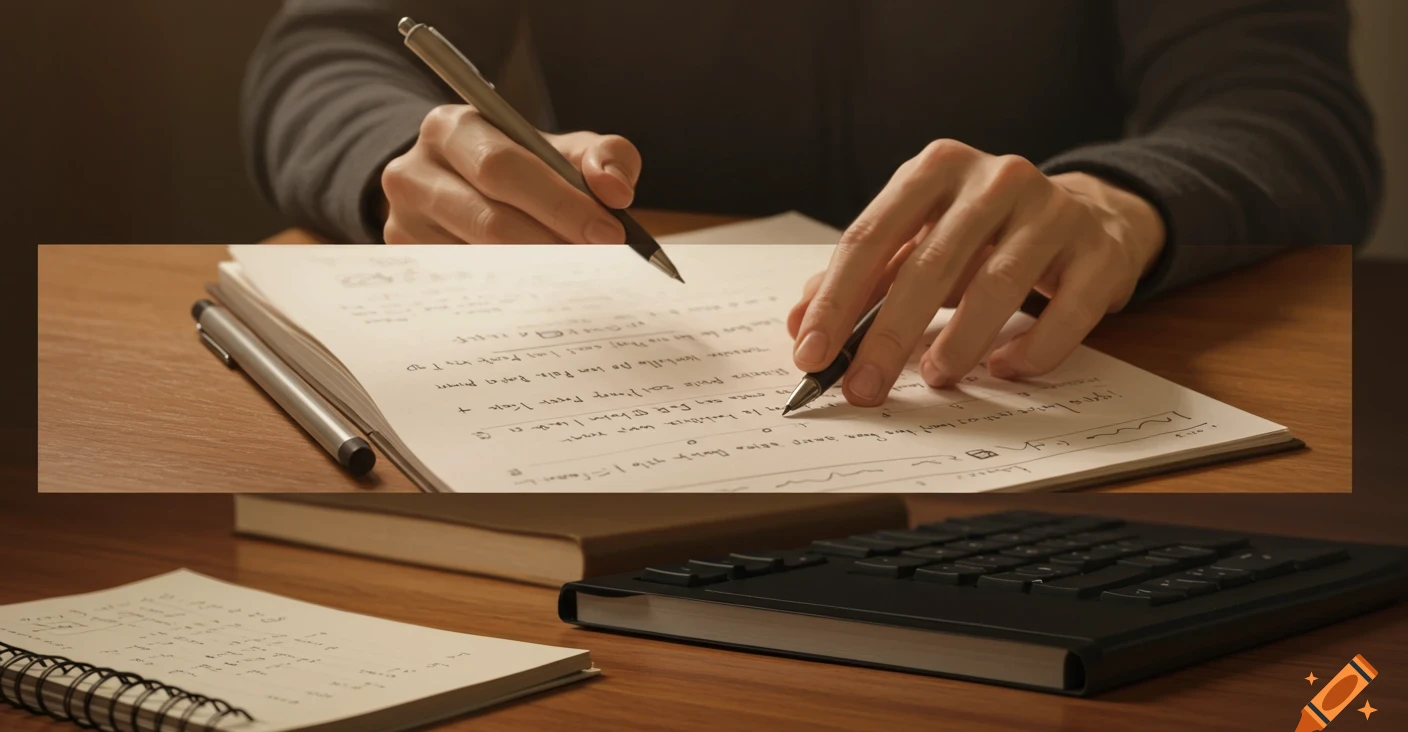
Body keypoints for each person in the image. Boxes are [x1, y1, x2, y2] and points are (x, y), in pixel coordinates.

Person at [243, 0, 1381, 406]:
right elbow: (326, 52)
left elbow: (1287, 107)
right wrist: (416, 154)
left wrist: (1119, 203)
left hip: (1067, 416)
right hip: (635, 417)